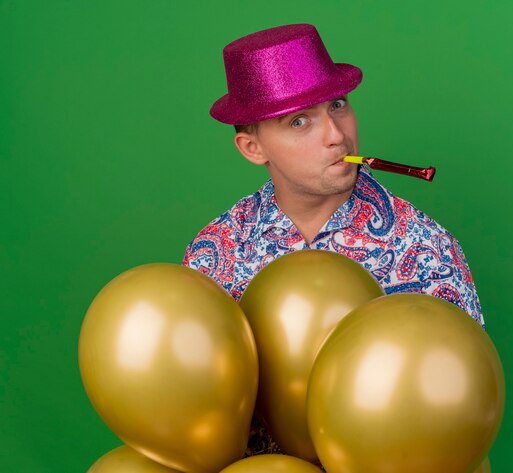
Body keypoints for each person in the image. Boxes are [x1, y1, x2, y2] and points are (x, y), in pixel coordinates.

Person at [182, 23, 484, 456]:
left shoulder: (425, 249)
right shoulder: (217, 251)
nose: (336, 135)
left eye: (338, 105)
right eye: (300, 121)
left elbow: (460, 405)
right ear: (253, 149)